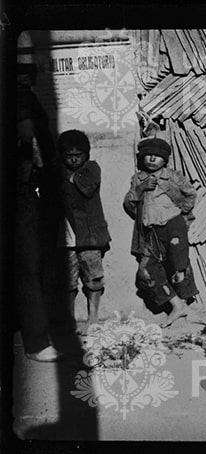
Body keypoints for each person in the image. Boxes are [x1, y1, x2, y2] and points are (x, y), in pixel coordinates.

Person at [14, 31, 62, 362]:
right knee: (28, 264)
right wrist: (28, 175)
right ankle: (36, 342)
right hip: (21, 192)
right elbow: (27, 139)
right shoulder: (19, 97)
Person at [123, 136, 198, 328]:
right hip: (150, 232)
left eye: (157, 156)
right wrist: (140, 189)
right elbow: (129, 204)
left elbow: (190, 193)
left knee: (179, 264)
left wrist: (181, 212)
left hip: (172, 226)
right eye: (148, 155)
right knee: (146, 272)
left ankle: (186, 303)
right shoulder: (137, 178)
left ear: (165, 159)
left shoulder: (173, 176)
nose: (152, 159)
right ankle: (176, 305)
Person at [55, 130, 111, 327]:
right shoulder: (56, 172)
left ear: (86, 154)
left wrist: (67, 176)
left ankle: (93, 317)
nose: (73, 160)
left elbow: (87, 188)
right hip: (65, 237)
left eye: (77, 155)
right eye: (68, 156)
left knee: (94, 278)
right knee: (67, 281)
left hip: (90, 236)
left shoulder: (92, 168)